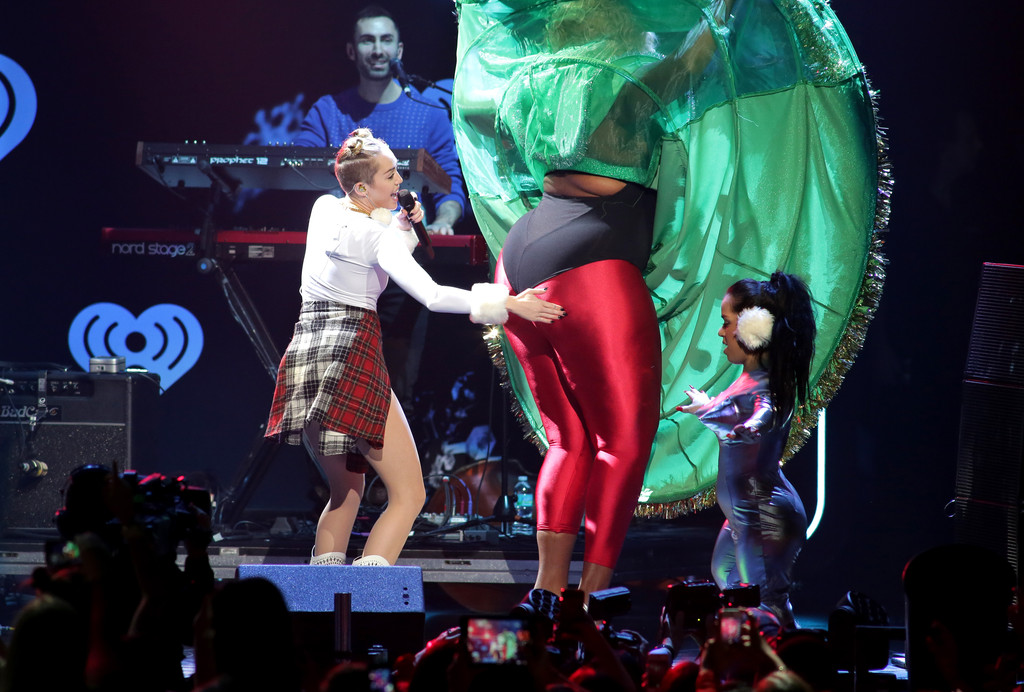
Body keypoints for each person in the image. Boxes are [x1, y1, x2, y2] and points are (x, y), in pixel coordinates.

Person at [265, 128, 564, 567]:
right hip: (350, 354)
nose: (400, 182)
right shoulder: (378, 238)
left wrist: (400, 224)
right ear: (362, 187)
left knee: (345, 491)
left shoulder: (323, 208)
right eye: (390, 176)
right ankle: (366, 597)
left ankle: (325, 598)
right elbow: (432, 295)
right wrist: (509, 303)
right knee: (409, 494)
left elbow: (363, 244)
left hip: (307, 353)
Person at [293, 5, 468, 409]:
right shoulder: (328, 111)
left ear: (399, 49)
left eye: (385, 40)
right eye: (367, 40)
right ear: (352, 50)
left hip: (399, 260)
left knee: (396, 373)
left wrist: (443, 219)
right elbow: (297, 168)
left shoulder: (428, 116)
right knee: (331, 378)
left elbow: (451, 187)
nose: (377, 49)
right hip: (339, 264)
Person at [675, 273, 815, 628]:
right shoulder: (748, 379)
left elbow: (765, 410)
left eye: (727, 323)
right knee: (727, 577)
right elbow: (735, 409)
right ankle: (748, 647)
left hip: (765, 516)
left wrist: (753, 425)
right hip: (744, 517)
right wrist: (707, 406)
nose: (721, 332)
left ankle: (789, 657)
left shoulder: (769, 384)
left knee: (765, 601)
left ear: (754, 327)